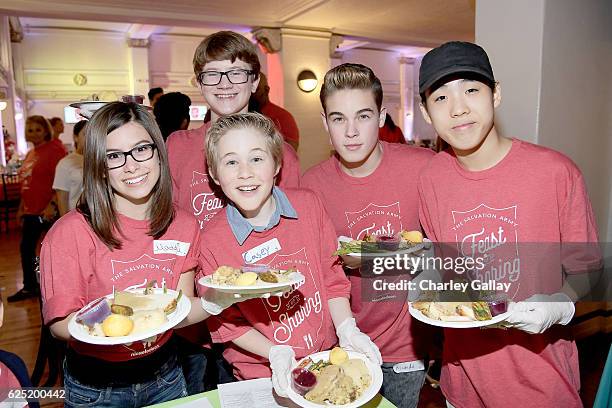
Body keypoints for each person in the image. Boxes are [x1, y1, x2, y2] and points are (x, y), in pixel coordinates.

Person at [417, 41, 601, 408]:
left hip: (543, 384)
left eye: (471, 89)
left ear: (496, 94)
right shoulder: (431, 178)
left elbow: (589, 268)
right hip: (463, 386)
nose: (458, 108)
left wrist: (560, 304)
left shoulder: (556, 172)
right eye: (440, 98)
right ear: (425, 112)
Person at [39, 102, 254, 408]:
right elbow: (60, 325)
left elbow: (180, 309)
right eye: (114, 156)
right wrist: (120, 324)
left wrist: (222, 297)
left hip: (165, 374)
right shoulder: (69, 232)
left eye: (141, 149)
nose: (132, 166)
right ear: (99, 165)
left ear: (158, 152)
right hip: (97, 386)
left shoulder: (183, 224)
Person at [198, 112, 381, 396]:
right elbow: (225, 323)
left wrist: (347, 328)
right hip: (259, 375)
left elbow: (332, 278)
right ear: (214, 174)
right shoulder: (211, 240)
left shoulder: (309, 206)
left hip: (324, 360)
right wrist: (274, 353)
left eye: (257, 158)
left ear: (277, 164)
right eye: (231, 161)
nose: (245, 172)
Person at [166, 29, 301, 394]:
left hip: (256, 325)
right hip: (192, 323)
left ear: (254, 80)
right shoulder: (178, 147)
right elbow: (166, 226)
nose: (224, 84)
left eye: (237, 72)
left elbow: (291, 235)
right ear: (199, 81)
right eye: (212, 74)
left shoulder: (281, 155)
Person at [301, 63, 435, 408]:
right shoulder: (311, 186)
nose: (350, 132)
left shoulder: (424, 166)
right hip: (343, 340)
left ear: (380, 117)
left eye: (362, 116)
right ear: (324, 123)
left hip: (410, 343)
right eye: (338, 118)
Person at [7, 116, 66, 303]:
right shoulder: (32, 153)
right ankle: (31, 286)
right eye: (30, 129)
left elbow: (61, 181)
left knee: (53, 251)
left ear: (46, 130)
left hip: (47, 211)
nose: (33, 133)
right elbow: (27, 183)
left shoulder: (55, 150)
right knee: (27, 249)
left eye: (38, 130)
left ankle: (58, 286)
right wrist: (20, 208)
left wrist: (53, 203)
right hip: (30, 211)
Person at [250, 72, 300, 151]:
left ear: (266, 90)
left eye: (257, 89)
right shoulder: (241, 116)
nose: (252, 93)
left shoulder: (283, 117)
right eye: (250, 88)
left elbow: (291, 152)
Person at [52, 119, 87, 216]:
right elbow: (62, 200)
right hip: (77, 218)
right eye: (85, 134)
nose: (90, 138)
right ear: (76, 137)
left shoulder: (103, 160)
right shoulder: (65, 163)